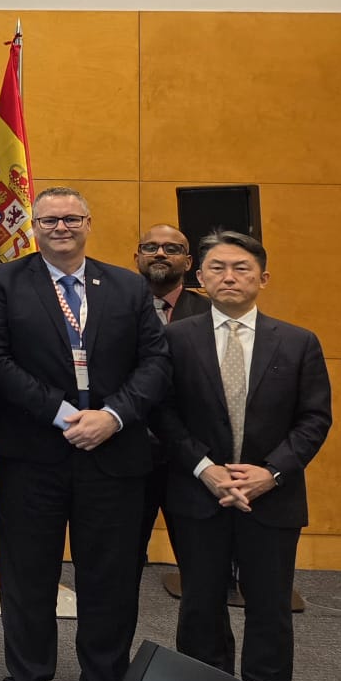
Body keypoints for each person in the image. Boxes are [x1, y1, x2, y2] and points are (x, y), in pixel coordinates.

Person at [0, 186, 170, 681]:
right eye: (49, 220)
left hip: (113, 451)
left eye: (71, 218)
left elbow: (156, 362)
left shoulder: (128, 286)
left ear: (88, 223)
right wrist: (61, 414)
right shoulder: (2, 283)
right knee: (29, 574)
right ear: (33, 226)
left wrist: (113, 416)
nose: (61, 227)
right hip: (32, 453)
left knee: (110, 577)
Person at [150, 231, 331, 681]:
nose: (229, 277)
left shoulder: (298, 342)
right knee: (201, 604)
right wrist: (205, 469)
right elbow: (162, 413)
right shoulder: (175, 339)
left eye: (242, 268)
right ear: (199, 277)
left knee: (270, 607)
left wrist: (269, 473)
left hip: (271, 497)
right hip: (198, 492)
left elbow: (314, 419)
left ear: (263, 279)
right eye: (217, 268)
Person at [134, 223, 209, 568]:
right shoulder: (114, 307)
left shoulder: (210, 313)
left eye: (172, 248)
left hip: (191, 454)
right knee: (123, 558)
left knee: (200, 560)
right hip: (130, 450)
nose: (160, 253)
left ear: (189, 262)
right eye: (150, 247)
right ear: (137, 257)